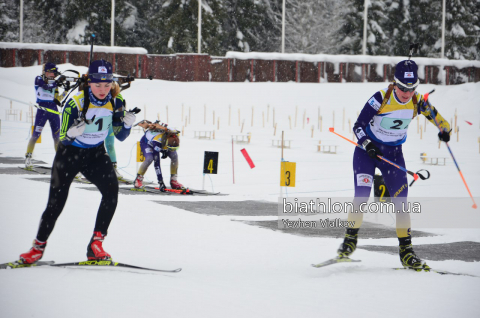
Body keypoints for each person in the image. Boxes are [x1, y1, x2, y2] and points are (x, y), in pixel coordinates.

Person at [19, 60, 136, 264]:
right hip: (69, 154)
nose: (102, 89)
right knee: (56, 203)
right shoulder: (76, 101)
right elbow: (62, 136)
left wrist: (126, 126)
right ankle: (37, 247)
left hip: (96, 154)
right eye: (97, 84)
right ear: (89, 82)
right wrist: (72, 134)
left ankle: (96, 244)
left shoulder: (117, 101)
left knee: (111, 192)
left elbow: (120, 136)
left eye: (107, 85)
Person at [337, 59, 451, 269]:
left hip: (393, 156)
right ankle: (350, 240)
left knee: (401, 202)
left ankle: (406, 252)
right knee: (361, 195)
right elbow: (358, 126)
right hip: (367, 154)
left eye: (411, 88)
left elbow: (437, 119)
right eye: (402, 88)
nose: (406, 93)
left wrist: (444, 130)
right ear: (394, 83)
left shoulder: (417, 101)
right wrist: (367, 143)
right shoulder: (381, 98)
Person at [25, 63, 67, 168]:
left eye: (55, 74)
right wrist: (57, 82)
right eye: (52, 73)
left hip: (53, 110)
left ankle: (60, 161)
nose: (53, 75)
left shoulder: (55, 83)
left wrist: (66, 90)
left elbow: (58, 99)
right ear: (46, 72)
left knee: (57, 137)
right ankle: (28, 157)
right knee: (35, 135)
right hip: (42, 110)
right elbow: (45, 86)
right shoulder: (38, 78)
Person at [133, 121, 182, 191]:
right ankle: (138, 179)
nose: (171, 150)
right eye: (170, 149)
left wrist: (167, 150)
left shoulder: (175, 136)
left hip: (164, 144)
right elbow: (157, 164)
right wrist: (160, 182)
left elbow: (172, 147)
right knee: (150, 158)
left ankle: (173, 180)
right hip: (147, 143)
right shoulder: (157, 141)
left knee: (174, 156)